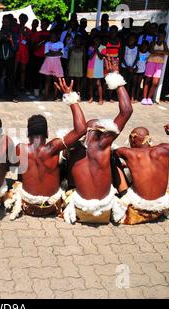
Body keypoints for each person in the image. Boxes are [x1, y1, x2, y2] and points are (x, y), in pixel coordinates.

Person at [63, 59, 133, 224]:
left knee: (63, 162)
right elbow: (127, 110)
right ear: (101, 132)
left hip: (81, 207)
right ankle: (123, 192)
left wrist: (72, 100)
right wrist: (115, 79)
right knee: (113, 158)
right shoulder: (103, 145)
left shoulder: (72, 146)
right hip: (105, 207)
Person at [5, 79, 87, 220]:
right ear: (47, 133)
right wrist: (71, 99)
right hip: (52, 205)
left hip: (29, 205)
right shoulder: (53, 147)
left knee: (20, 170)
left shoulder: (21, 149)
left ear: (27, 134)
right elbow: (81, 130)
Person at [114, 125, 169, 225]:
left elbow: (105, 152)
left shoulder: (126, 152)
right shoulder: (164, 148)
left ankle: (115, 193)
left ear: (132, 139)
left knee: (112, 162)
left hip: (136, 207)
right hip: (160, 207)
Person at [0, 15, 18, 102]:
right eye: (4, 22)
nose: (5, 24)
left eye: (7, 22)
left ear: (10, 23)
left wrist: (11, 40)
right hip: (0, 58)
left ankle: (11, 96)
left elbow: (15, 48)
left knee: (11, 77)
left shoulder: (14, 34)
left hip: (10, 58)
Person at [142, 30, 169, 105]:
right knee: (147, 80)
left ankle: (149, 98)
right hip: (151, 62)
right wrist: (161, 52)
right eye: (159, 36)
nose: (160, 38)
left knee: (155, 82)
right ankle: (144, 98)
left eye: (162, 36)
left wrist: (156, 51)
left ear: (164, 37)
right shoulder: (153, 42)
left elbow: (167, 52)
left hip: (159, 64)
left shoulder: (164, 43)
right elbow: (151, 51)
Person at [39, 31, 64, 100]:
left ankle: (55, 96)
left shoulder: (60, 43)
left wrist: (51, 52)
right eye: (51, 37)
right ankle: (45, 95)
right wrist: (56, 52)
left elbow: (61, 54)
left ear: (57, 37)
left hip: (57, 63)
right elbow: (46, 54)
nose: (53, 38)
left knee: (55, 80)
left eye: (54, 37)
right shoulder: (47, 43)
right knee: (47, 80)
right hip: (48, 62)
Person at [29, 18, 50, 98]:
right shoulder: (36, 34)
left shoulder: (50, 34)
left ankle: (44, 89)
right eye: (42, 24)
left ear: (48, 25)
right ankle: (36, 89)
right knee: (36, 74)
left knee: (46, 75)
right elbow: (32, 46)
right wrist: (41, 43)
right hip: (37, 56)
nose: (42, 25)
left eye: (44, 24)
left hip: (46, 57)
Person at [86, 36, 106, 104]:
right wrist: (94, 50)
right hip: (91, 66)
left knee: (98, 83)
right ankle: (91, 97)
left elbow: (101, 57)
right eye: (95, 40)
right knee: (91, 83)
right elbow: (90, 57)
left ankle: (100, 99)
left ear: (100, 40)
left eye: (98, 40)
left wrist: (97, 49)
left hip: (99, 67)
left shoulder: (103, 47)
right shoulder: (90, 48)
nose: (96, 41)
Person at [120, 33, 138, 100]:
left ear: (134, 40)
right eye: (129, 39)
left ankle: (127, 96)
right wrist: (128, 67)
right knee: (124, 82)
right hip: (125, 67)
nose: (130, 40)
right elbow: (122, 57)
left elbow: (137, 58)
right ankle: (123, 96)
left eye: (132, 39)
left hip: (132, 68)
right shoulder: (125, 47)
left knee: (130, 82)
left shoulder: (136, 48)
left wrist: (132, 66)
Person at [15, 13, 30, 93]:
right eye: (21, 19)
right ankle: (13, 84)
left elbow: (30, 41)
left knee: (23, 70)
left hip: (24, 51)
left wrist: (25, 34)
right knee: (14, 69)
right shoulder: (15, 28)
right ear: (19, 19)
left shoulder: (27, 30)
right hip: (16, 51)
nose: (23, 21)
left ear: (26, 20)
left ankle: (22, 85)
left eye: (24, 19)